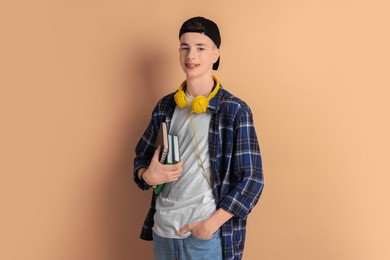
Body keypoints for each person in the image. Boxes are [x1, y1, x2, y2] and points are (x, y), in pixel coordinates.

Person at [133, 16, 264, 260]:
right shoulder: (165, 106)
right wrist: (146, 176)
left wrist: (211, 224)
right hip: (163, 232)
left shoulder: (234, 110)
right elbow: (140, 158)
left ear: (215, 54)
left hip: (204, 237)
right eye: (185, 47)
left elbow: (252, 179)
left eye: (200, 48)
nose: (190, 55)